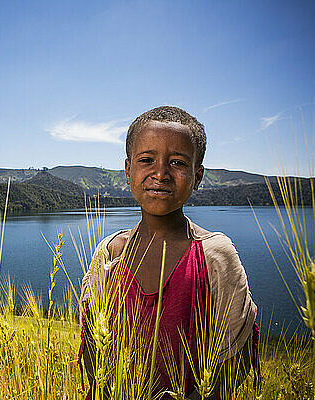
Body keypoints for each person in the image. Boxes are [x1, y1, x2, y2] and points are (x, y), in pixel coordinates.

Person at [78, 106, 260, 399]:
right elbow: (91, 346)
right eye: (147, 160)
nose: (160, 173)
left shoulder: (214, 255)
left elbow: (235, 361)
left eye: (177, 163)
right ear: (128, 171)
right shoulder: (110, 253)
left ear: (197, 177)